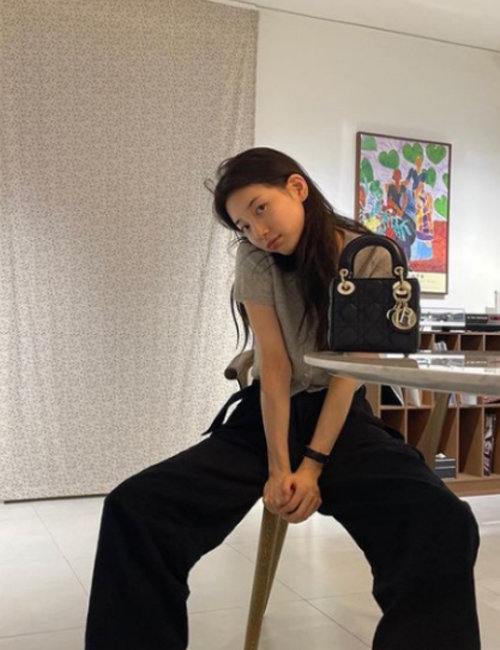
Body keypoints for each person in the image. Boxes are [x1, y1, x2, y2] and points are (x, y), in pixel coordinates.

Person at [85, 147, 481, 650]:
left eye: (260, 209)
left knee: (443, 523)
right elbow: (273, 366)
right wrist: (279, 468)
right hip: (268, 417)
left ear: (296, 187)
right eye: (243, 225)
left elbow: (348, 374)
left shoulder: (369, 254)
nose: (257, 231)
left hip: (340, 419)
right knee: (135, 509)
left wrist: (312, 465)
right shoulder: (255, 259)